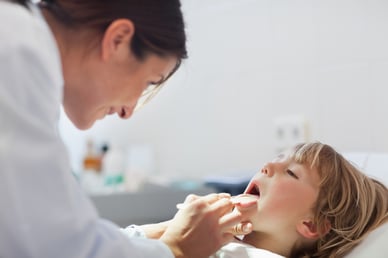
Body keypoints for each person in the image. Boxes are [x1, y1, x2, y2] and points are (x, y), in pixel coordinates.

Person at [0, 0, 257, 257]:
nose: (128, 112)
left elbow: (58, 231)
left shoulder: (22, 47)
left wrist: (161, 232)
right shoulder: (17, 56)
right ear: (118, 40)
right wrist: (178, 248)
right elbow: (58, 247)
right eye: (147, 82)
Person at [209, 142, 388, 257]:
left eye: (291, 173)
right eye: (277, 159)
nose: (267, 165)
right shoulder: (213, 240)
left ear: (312, 225)